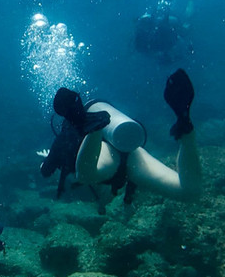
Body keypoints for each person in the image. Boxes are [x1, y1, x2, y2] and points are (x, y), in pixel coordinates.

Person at [40, 69, 202, 206]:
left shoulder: (65, 137)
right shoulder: (69, 135)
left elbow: (46, 171)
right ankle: (186, 130)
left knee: (85, 176)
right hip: (131, 152)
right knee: (189, 193)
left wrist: (48, 160)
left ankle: (95, 130)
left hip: (112, 155)